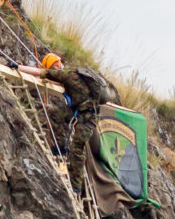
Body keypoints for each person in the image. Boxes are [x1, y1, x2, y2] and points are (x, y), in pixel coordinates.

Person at [11, 53, 118, 196]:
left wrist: (17, 66)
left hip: (87, 117)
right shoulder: (76, 74)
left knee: (77, 149)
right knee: (54, 113)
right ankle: (59, 148)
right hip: (81, 111)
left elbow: (39, 72)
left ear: (53, 66)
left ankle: (76, 187)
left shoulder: (65, 75)